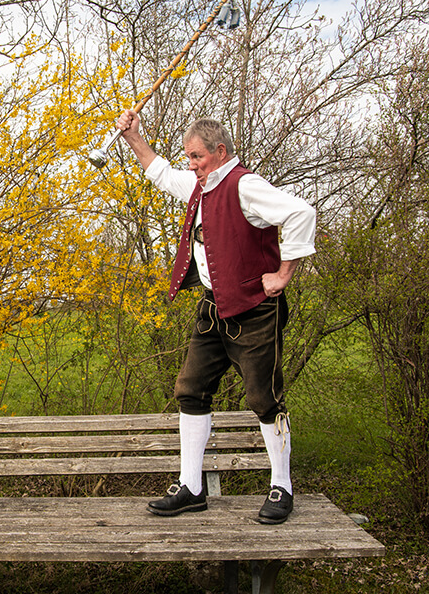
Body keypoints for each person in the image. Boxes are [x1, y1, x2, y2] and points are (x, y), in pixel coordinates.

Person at [116, 109, 316, 524]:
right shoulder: (200, 184)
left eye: (197, 157)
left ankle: (282, 486)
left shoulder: (245, 185)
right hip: (213, 308)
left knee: (264, 399)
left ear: (220, 152)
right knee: (190, 390)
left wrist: (283, 274)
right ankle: (191, 486)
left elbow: (301, 213)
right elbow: (163, 174)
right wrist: (135, 137)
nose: (191, 165)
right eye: (188, 158)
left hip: (256, 311)